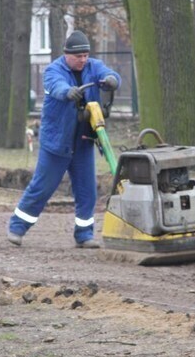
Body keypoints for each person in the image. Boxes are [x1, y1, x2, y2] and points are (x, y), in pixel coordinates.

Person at [8, 30, 121, 248]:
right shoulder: (53, 70)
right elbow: (55, 86)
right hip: (57, 144)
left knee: (87, 190)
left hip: (84, 141)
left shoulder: (94, 67)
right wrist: (68, 91)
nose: (83, 59)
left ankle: (84, 234)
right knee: (42, 187)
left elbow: (112, 75)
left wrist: (111, 81)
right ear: (67, 55)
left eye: (86, 55)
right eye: (79, 56)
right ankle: (17, 227)